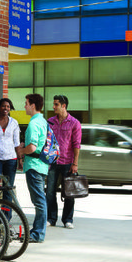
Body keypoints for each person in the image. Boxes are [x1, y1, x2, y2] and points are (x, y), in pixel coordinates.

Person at [46, 95, 82, 229]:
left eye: (56, 104)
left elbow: (76, 144)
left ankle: (68, 219)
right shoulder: (50, 122)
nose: (53, 107)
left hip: (68, 162)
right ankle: (51, 218)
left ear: (63, 106)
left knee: (69, 193)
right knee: (50, 192)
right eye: (54, 104)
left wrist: (75, 163)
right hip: (52, 162)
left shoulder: (74, 123)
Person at [19, 93, 49, 243]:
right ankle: (37, 231)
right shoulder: (43, 121)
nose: (24, 106)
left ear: (33, 105)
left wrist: (20, 151)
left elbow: (32, 147)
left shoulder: (33, 123)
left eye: (26, 103)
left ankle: (37, 233)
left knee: (39, 201)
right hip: (42, 165)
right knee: (40, 200)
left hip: (34, 166)